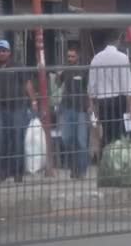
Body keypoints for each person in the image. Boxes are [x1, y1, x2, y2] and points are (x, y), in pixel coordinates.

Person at [88, 30, 131, 149]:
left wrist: (91, 104)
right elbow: (127, 83)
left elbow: (91, 85)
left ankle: (106, 153)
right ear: (118, 40)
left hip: (103, 100)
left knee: (106, 130)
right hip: (118, 100)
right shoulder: (123, 58)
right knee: (118, 131)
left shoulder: (96, 58)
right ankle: (115, 154)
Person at [0, 40, 36, 183]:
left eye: (4, 50)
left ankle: (18, 172)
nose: (1, 53)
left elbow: (27, 84)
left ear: (9, 52)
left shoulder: (18, 66)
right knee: (1, 140)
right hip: (0, 109)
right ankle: (2, 171)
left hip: (18, 108)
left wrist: (33, 101)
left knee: (17, 140)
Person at [57, 46, 90, 179]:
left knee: (81, 141)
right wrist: (59, 75)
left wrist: (90, 105)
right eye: (68, 56)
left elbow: (89, 88)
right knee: (67, 139)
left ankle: (81, 170)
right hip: (67, 108)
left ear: (78, 57)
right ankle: (73, 168)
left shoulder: (83, 70)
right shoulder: (66, 70)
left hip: (81, 109)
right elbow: (58, 84)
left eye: (72, 56)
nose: (70, 59)